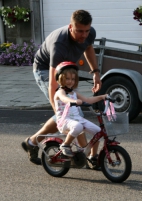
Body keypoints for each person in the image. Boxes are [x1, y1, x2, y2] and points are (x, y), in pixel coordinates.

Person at [21, 9, 102, 165]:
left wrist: (95, 73)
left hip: (67, 70)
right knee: (70, 112)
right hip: (45, 69)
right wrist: (59, 111)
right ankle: (83, 154)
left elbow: (89, 48)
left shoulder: (89, 33)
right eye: (79, 31)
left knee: (72, 112)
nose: (84, 35)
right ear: (71, 27)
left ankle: (31, 142)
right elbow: (52, 82)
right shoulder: (60, 43)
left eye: (86, 31)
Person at [54, 62, 107, 157]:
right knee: (78, 126)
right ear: (60, 78)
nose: (71, 81)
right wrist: (73, 101)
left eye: (73, 79)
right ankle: (65, 145)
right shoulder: (60, 91)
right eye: (67, 79)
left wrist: (102, 97)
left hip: (77, 119)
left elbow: (88, 100)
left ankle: (93, 156)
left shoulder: (74, 92)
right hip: (64, 121)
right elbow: (64, 98)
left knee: (98, 132)